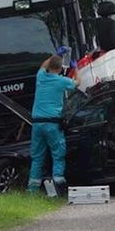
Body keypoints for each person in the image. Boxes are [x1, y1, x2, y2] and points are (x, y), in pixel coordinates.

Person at [28, 48, 79, 194]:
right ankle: (58, 187)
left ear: (49, 66)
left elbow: (43, 65)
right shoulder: (62, 81)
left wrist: (56, 54)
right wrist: (76, 68)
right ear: (60, 68)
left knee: (37, 156)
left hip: (37, 124)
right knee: (58, 154)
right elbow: (77, 83)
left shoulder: (41, 77)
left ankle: (32, 190)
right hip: (52, 123)